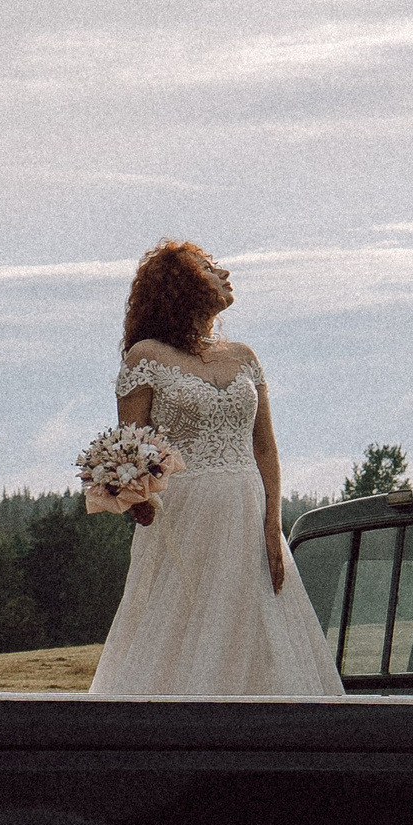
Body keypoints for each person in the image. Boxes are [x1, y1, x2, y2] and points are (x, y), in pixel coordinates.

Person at [87, 240, 345, 697]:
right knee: (180, 624)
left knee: (258, 623)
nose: (224, 274)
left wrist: (272, 526)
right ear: (179, 285)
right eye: (209, 268)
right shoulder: (146, 357)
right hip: (186, 515)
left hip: (247, 510)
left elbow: (264, 448)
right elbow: (131, 448)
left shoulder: (244, 356)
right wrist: (135, 501)